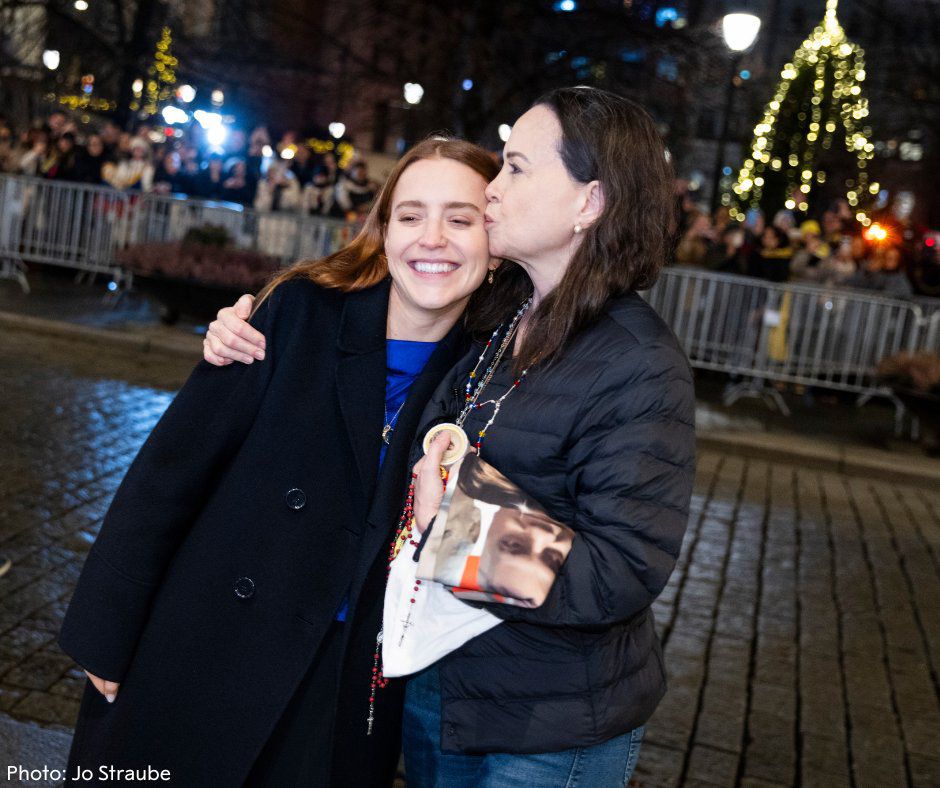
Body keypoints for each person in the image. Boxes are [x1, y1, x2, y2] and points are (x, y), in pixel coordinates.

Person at [207, 87, 696, 786]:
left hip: (547, 726)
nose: (492, 190)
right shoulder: (502, 317)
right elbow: (384, 324)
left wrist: (461, 530)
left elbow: (623, 570)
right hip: (440, 696)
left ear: (588, 203)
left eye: (517, 169)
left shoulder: (639, 364)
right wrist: (249, 331)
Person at [58, 137, 501, 786]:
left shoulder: (495, 376)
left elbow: (473, 560)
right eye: (410, 216)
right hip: (207, 645)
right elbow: (172, 471)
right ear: (381, 233)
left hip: (348, 684)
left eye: (460, 219)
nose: (431, 238)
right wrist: (106, 628)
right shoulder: (300, 311)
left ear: (496, 241)